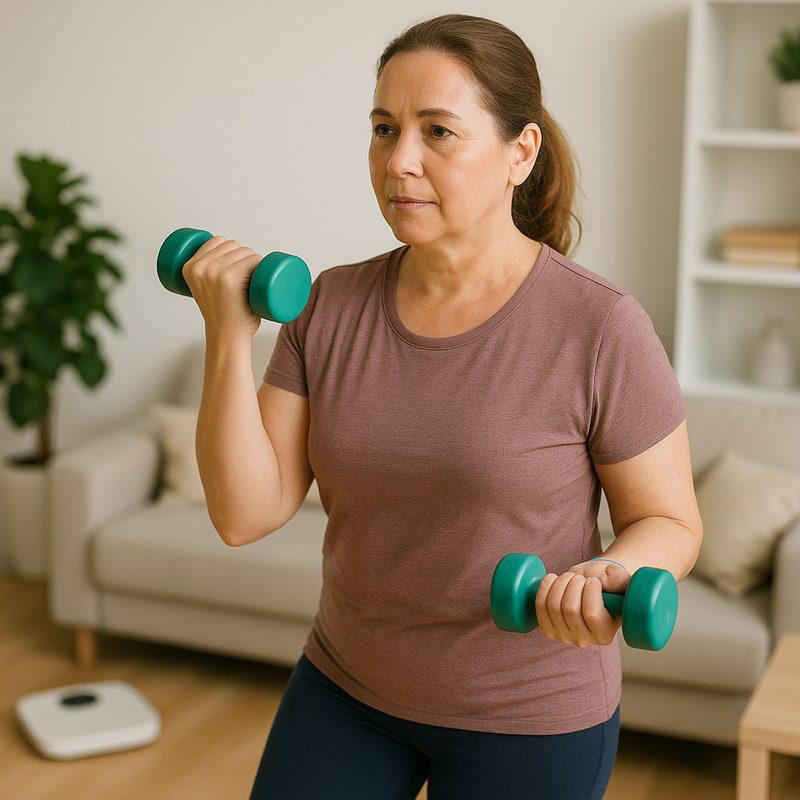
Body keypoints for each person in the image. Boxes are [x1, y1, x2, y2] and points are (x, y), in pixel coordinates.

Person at [188, 13, 704, 800]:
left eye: (438, 132)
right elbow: (244, 514)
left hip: (530, 711)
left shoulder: (599, 325)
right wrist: (227, 340)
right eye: (384, 128)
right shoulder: (328, 304)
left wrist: (609, 574)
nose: (399, 162)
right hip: (348, 686)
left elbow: (671, 521)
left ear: (519, 153)